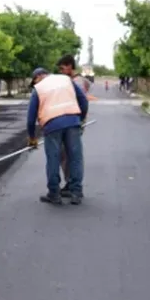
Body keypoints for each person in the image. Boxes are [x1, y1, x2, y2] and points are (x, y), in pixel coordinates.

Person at [27, 67, 89, 205]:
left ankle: (54, 194)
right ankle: (76, 193)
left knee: (53, 158)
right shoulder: (66, 79)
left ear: (38, 77)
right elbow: (83, 101)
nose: (34, 84)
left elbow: (30, 119)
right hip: (73, 122)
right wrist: (80, 119)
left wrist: (32, 138)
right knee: (75, 157)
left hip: (52, 125)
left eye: (34, 81)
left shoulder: (38, 88)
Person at [55, 54, 92, 197]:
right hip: (69, 122)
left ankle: (74, 185)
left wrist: (80, 120)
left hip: (74, 123)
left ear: (70, 66)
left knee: (70, 154)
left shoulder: (77, 82)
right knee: (66, 154)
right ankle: (71, 183)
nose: (61, 71)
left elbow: (83, 102)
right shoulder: (73, 81)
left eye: (62, 68)